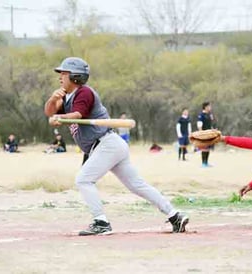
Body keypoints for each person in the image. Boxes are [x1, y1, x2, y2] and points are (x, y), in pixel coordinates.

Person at [44, 56, 188, 236]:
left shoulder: (84, 93)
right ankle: (175, 216)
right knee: (137, 185)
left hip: (106, 144)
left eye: (64, 74)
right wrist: (52, 101)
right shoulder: (66, 97)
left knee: (83, 179)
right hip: (108, 145)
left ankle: (101, 222)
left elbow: (78, 114)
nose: (60, 77)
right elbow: (49, 111)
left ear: (75, 77)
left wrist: (61, 118)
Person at [197, 101, 216, 167]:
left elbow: (210, 124)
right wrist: (201, 133)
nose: (210, 107)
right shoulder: (201, 115)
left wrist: (213, 129)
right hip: (204, 133)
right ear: (205, 107)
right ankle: (203, 163)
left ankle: (206, 162)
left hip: (209, 133)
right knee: (204, 148)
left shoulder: (210, 114)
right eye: (209, 106)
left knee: (208, 148)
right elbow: (199, 125)